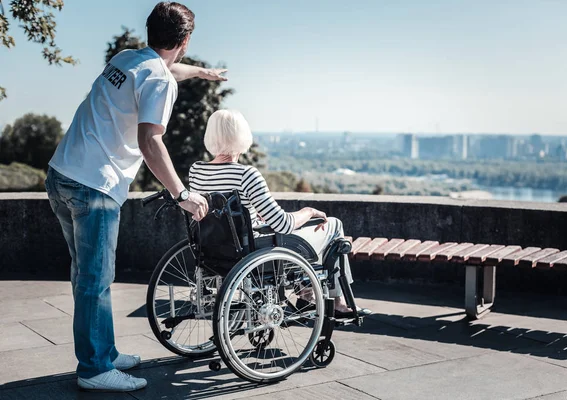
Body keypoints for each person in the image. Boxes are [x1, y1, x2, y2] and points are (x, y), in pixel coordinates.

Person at [45, 2, 226, 392]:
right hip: (94, 185)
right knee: (95, 279)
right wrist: (181, 193)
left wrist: (198, 72)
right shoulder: (160, 80)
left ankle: (102, 352)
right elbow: (150, 139)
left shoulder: (126, 58)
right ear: (186, 40)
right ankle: (94, 369)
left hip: (61, 173)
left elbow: (163, 67)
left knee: (87, 276)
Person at [189, 109, 372, 317]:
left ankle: (307, 295)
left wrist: (251, 216)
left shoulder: (196, 171)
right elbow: (282, 224)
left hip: (213, 249)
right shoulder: (246, 174)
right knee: (333, 225)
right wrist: (308, 211)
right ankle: (335, 301)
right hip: (252, 251)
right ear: (242, 136)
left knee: (302, 236)